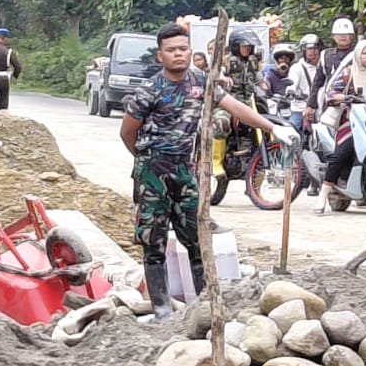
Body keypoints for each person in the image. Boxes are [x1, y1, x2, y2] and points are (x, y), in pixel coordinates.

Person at [120, 24, 297, 319]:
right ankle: (161, 308)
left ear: (191, 51)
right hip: (153, 172)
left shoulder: (201, 82)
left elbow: (236, 107)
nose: (178, 54)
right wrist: (146, 163)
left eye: (183, 48)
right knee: (153, 238)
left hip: (187, 171)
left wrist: (273, 128)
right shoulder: (149, 90)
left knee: (196, 236)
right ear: (160, 55)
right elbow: (128, 132)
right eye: (171, 50)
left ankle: (205, 305)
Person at [315, 38, 366, 213]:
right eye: (365, 53)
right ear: (357, 55)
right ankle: (323, 195)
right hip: (351, 122)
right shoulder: (348, 73)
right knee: (342, 153)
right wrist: (343, 97)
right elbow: (331, 94)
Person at [307, 18, 357, 114]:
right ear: (333, 36)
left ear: (352, 36)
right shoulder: (325, 55)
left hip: (353, 102)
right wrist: (310, 106)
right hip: (331, 103)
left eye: (346, 34)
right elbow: (317, 82)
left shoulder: (359, 53)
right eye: (339, 34)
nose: (342, 37)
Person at [287, 34, 322, 131]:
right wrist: (291, 91)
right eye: (309, 49)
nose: (313, 52)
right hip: (300, 107)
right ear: (303, 51)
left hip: (319, 108)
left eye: (315, 48)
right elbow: (292, 82)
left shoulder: (323, 66)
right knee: (291, 130)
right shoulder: (297, 68)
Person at [261, 42, 297, 108]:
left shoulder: (294, 72)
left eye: (286, 58)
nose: (284, 61)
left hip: (293, 105)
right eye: (281, 58)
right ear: (276, 60)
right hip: (275, 106)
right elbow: (266, 89)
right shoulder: (271, 74)